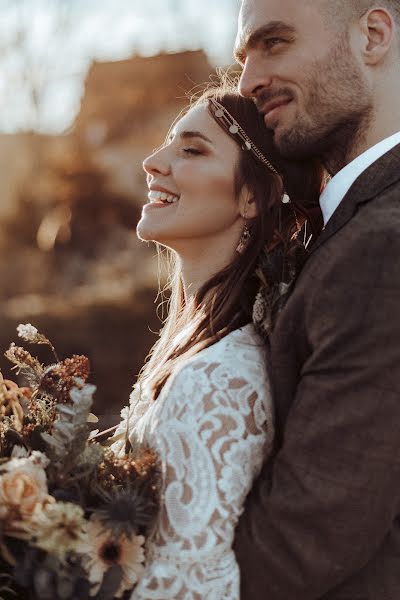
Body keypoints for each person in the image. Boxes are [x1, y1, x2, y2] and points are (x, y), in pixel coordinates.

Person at [111, 84, 322, 599]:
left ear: (253, 196)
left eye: (192, 149)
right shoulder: (198, 350)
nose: (152, 162)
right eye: (167, 144)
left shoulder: (218, 380)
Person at [233, 1, 400, 598]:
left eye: (273, 43)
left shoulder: (382, 247)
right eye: (243, 57)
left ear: (373, 36)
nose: (248, 80)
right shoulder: (346, 230)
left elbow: (302, 541)